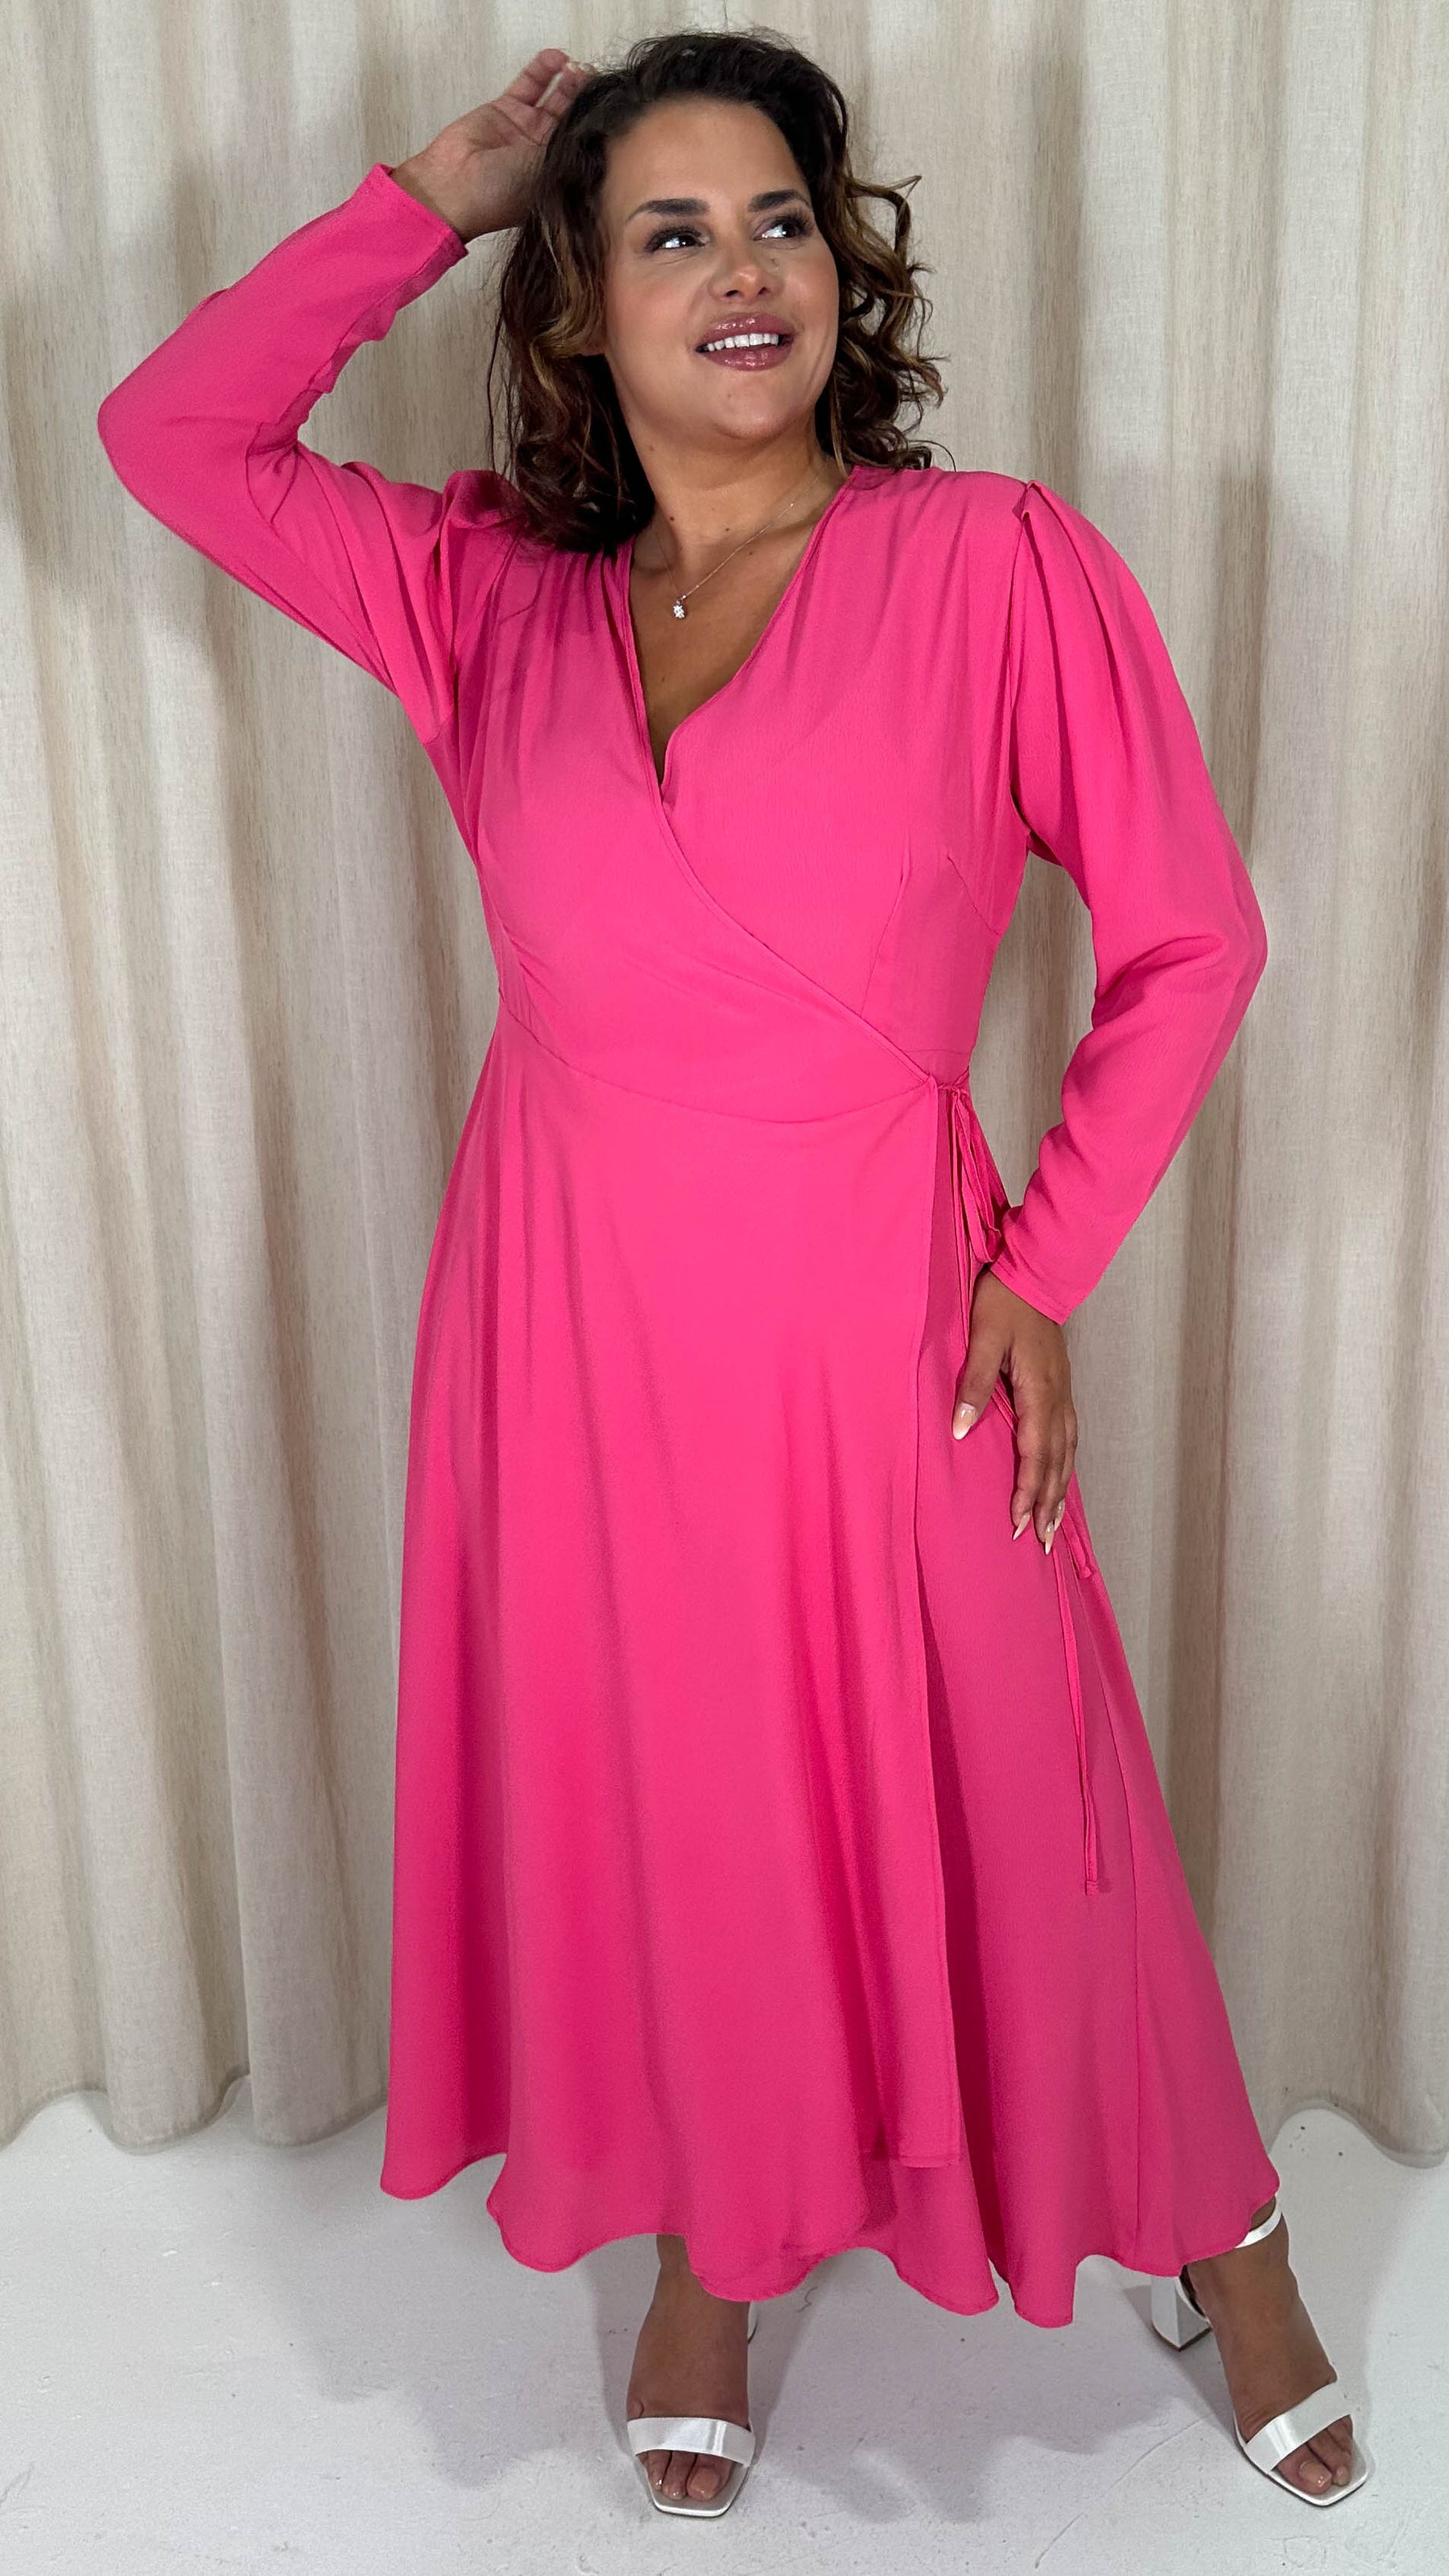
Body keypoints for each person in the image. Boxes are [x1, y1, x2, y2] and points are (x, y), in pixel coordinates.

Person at [97, 27, 1369, 2524]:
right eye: (667, 233)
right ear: (578, 299)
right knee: (672, 1795)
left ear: (842, 260)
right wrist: (433, 194)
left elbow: (1190, 939)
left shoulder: (989, 561)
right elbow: (171, 436)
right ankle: (718, 2228)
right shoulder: (484, 599)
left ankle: (1223, 2239)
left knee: (1031, 1791)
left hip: (890, 1308)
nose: (742, 271)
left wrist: (1046, 1262)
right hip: (571, 1329)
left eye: (778, 217)